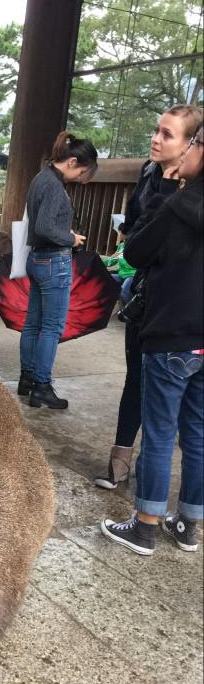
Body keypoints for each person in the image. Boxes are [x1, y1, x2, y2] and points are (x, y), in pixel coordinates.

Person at [101, 122, 203, 556]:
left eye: (192, 142)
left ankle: (144, 526)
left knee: (160, 431)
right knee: (197, 433)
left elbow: (135, 252)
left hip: (171, 331)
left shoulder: (181, 203)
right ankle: (189, 525)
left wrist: (167, 189)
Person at [18, 131, 98, 410]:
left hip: (38, 258)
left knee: (33, 324)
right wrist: (71, 238)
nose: (80, 178)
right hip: (54, 261)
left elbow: (41, 224)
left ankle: (27, 379)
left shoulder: (41, 177)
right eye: (83, 171)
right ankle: (42, 385)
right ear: (73, 161)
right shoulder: (53, 185)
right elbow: (45, 227)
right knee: (51, 328)